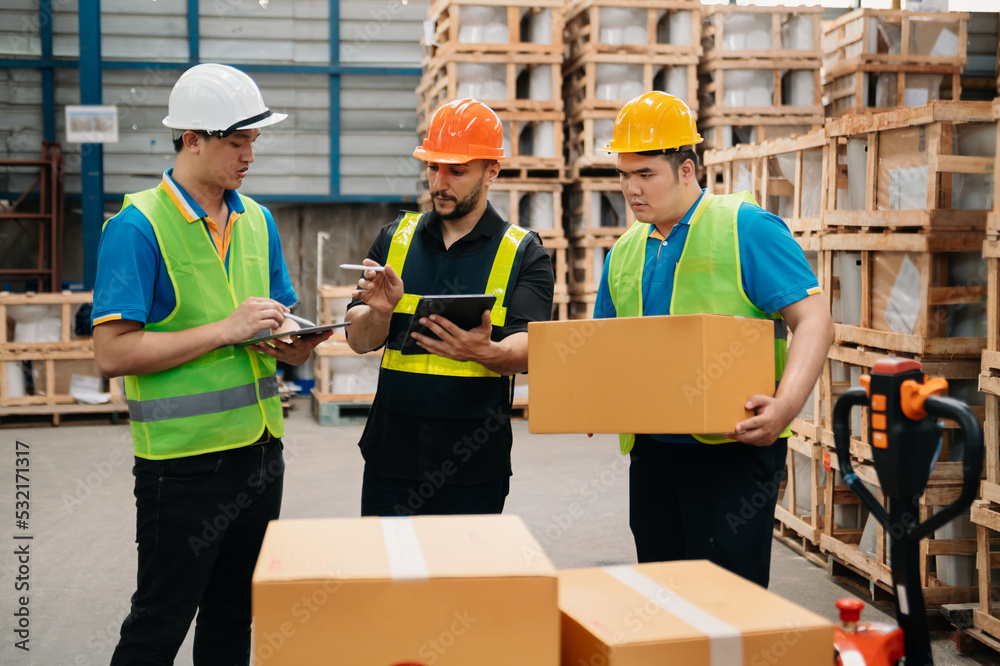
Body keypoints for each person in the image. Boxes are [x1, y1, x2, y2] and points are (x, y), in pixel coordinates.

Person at [92, 63, 332, 665]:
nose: (249, 155)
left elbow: (275, 318)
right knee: (159, 622)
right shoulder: (136, 226)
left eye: (253, 140)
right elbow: (112, 352)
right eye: (236, 141)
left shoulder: (258, 220)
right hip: (182, 466)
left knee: (232, 620)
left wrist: (299, 343)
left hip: (260, 453)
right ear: (191, 140)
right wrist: (225, 330)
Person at [594, 91, 834, 587]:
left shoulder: (745, 228)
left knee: (729, 600)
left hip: (734, 449)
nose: (631, 189)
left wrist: (786, 406)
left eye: (645, 175)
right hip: (654, 452)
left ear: (686, 170)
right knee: (666, 595)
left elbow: (814, 320)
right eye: (623, 174)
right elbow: (605, 346)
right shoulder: (624, 252)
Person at [345, 98, 554, 517]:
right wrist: (381, 312)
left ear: (491, 171)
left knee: (463, 582)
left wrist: (487, 352)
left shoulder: (524, 253)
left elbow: (531, 346)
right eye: (433, 167)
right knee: (390, 579)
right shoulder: (394, 238)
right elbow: (357, 338)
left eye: (457, 171)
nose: (440, 182)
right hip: (392, 458)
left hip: (472, 464)